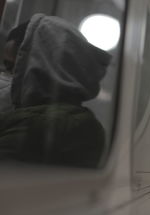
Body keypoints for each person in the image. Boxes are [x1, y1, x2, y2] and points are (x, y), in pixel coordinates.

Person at [0, 14, 110, 167]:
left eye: (13, 68)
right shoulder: (81, 121)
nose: (4, 76)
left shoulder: (36, 126)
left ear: (41, 70)